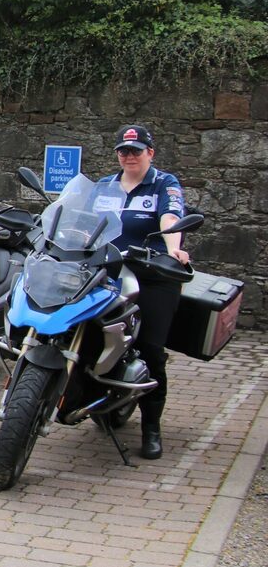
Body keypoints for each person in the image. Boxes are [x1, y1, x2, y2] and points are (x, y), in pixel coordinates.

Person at [99, 124, 190, 460]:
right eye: (123, 150)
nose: (129, 156)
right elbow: (77, 218)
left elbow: (170, 216)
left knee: (151, 348)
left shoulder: (165, 183)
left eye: (136, 151)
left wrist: (173, 249)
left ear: (150, 153)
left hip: (152, 275)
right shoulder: (104, 185)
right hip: (107, 271)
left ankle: (151, 426)